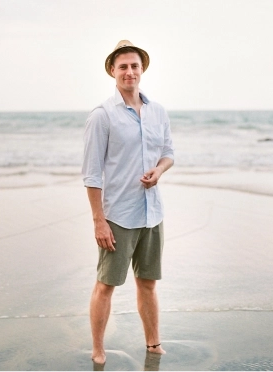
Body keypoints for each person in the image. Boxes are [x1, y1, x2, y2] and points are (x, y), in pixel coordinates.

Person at [82, 39, 174, 365]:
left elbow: (168, 155)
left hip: (152, 213)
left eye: (134, 65)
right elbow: (91, 174)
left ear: (142, 69)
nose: (129, 72)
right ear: (112, 71)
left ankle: (153, 344)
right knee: (106, 285)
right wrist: (98, 220)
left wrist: (159, 171)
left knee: (147, 284)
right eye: (123, 66)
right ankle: (97, 349)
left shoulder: (158, 111)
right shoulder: (102, 116)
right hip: (118, 215)